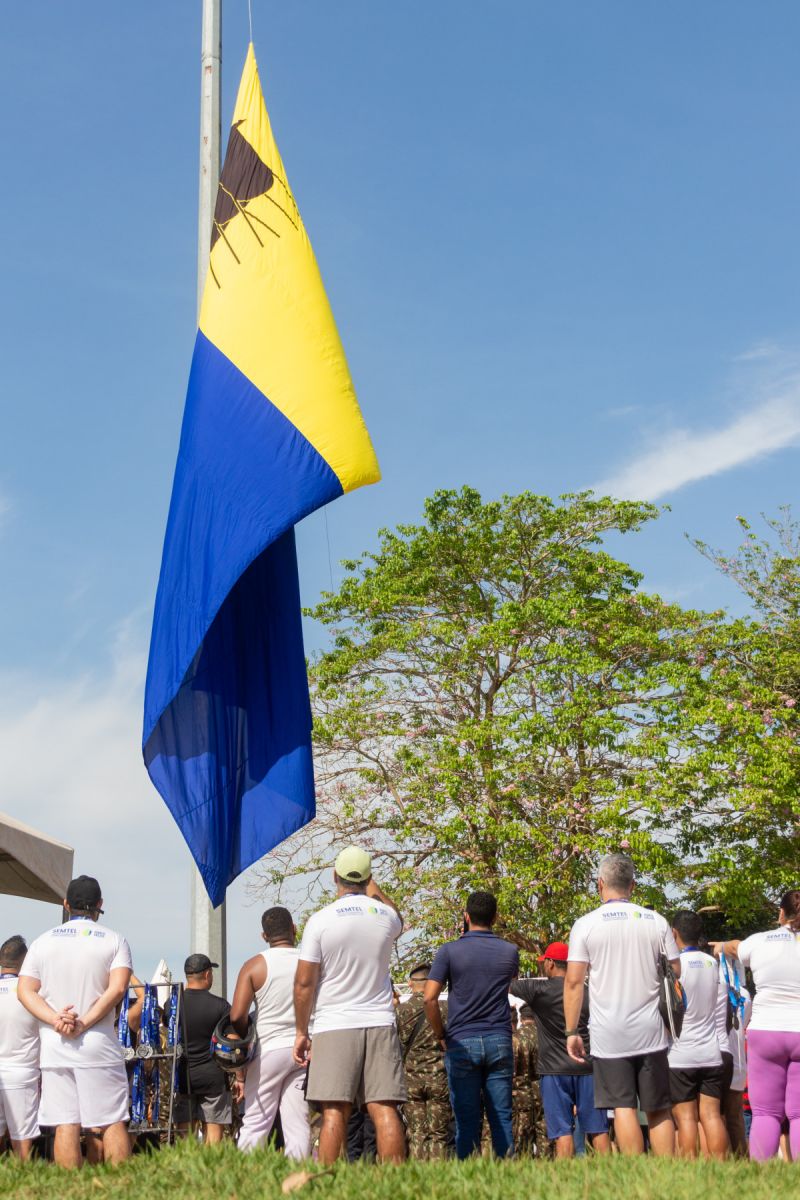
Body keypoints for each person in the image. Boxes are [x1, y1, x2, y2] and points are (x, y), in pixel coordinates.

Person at [293, 846, 406, 1165]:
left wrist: (302, 1031)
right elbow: (398, 916)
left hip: (334, 1024)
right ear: (369, 878)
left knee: (333, 1113)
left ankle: (326, 1187)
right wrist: (373, 887)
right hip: (380, 1022)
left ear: (334, 877)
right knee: (385, 1109)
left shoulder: (320, 920)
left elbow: (304, 983)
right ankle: (396, 1185)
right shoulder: (385, 917)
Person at [564, 853, 679, 1157]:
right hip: (651, 1028)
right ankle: (670, 1174)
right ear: (633, 885)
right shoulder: (656, 921)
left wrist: (571, 1030)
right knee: (658, 1108)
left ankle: (634, 1173)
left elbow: (574, 982)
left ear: (600, 884)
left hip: (609, 1032)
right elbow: (676, 972)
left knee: (623, 1106)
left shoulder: (585, 925)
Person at [17, 875, 133, 1168]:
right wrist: (86, 1022)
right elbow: (118, 988)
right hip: (98, 1043)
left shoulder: (43, 942)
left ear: (66, 904)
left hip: (55, 1046)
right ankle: (123, 1188)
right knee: (111, 1121)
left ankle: (69, 1191)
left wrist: (55, 1018)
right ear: (100, 905)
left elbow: (25, 991)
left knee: (64, 1123)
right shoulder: (114, 939)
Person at [424, 891, 519, 1159]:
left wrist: (441, 1034)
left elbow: (429, 998)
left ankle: (467, 1179)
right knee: (501, 1117)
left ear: (466, 917)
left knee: (466, 1120)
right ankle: (508, 1179)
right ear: (495, 917)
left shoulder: (449, 951)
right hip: (499, 1038)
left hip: (461, 1041)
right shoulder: (510, 952)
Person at [711, 888, 800, 1161]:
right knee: (798, 1114)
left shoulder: (760, 941)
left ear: (780, 913)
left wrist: (722, 946)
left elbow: (735, 947)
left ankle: (760, 1177)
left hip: (766, 1031)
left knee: (765, 1113)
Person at [511, 942, 610, 1158]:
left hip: (554, 1071)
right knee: (598, 1130)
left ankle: (564, 1182)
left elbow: (507, 984)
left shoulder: (538, 990)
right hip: (587, 1068)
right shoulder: (587, 991)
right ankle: (610, 1179)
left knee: (562, 1133)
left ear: (549, 963)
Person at [230, 906, 310, 1157]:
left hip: (268, 1051)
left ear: (264, 936)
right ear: (294, 929)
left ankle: (245, 1184)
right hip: (304, 1049)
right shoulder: (309, 961)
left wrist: (246, 1034)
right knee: (298, 1125)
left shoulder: (254, 966)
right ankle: (299, 1185)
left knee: (256, 1122)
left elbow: (236, 1015)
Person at [666, 911, 728, 1159]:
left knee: (686, 1117)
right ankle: (720, 1166)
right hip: (711, 1051)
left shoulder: (675, 967)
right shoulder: (712, 963)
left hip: (682, 1053)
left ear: (674, 934)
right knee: (712, 1115)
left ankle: (690, 1169)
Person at [174, 954, 231, 1144]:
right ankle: (210, 1172)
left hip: (183, 1078)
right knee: (213, 1139)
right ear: (207, 975)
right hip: (213, 1078)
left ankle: (186, 1173)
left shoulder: (173, 1005)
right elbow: (232, 1042)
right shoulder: (221, 1006)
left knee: (185, 1140)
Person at [396, 961, 451, 1160]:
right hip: (439, 1077)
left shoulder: (400, 1011)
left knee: (416, 1132)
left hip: (410, 1079)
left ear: (411, 983)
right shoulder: (444, 1008)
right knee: (438, 1134)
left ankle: (418, 1176)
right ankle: (438, 1175)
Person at [0, 936, 40, 1160]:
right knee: (22, 1140)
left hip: (12, 1070)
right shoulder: (31, 992)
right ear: (25, 961)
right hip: (21, 1071)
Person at [510, 1004, 549, 1157]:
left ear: (521, 1018)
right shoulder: (546, 1037)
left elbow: (511, 1070)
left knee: (521, 1140)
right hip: (543, 1093)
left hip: (520, 1096)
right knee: (545, 1137)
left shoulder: (515, 1038)